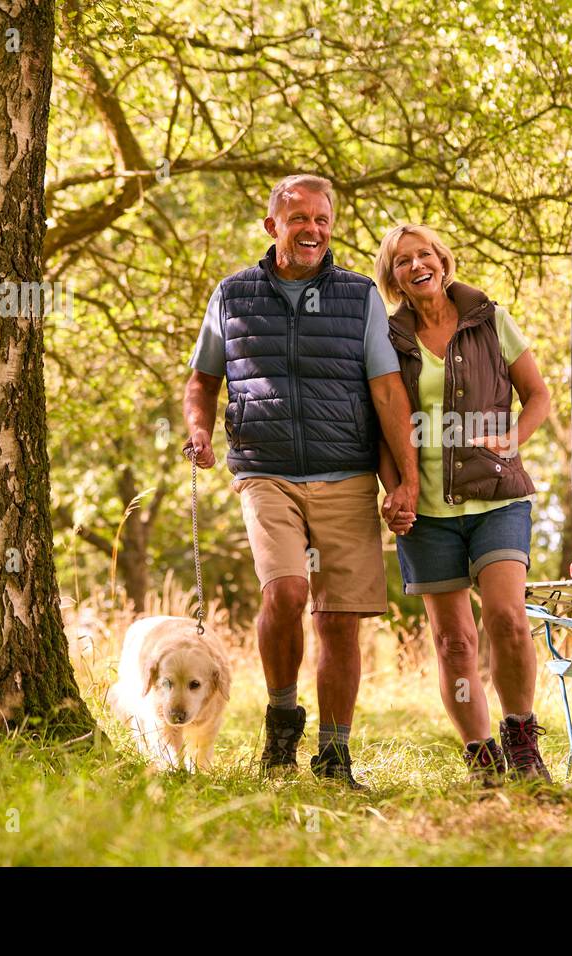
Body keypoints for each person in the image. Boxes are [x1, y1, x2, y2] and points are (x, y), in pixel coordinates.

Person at [183, 174, 417, 790]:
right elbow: (203, 379)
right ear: (273, 227)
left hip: (346, 472)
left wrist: (408, 480)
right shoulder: (232, 295)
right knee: (285, 593)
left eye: (322, 219)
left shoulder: (359, 295)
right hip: (266, 469)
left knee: (338, 619)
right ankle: (282, 719)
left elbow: (388, 390)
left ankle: (335, 755)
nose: (312, 229)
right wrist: (200, 431)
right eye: (298, 219)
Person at [373, 223, 553, 783]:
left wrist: (515, 436)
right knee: (454, 641)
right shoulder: (387, 338)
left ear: (443, 262)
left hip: (497, 498)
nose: (416, 265)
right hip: (426, 513)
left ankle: (521, 737)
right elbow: (380, 427)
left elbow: (539, 395)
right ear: (393, 278)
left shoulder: (490, 320)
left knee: (507, 618)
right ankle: (481, 756)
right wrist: (395, 490)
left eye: (424, 254)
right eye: (403, 261)